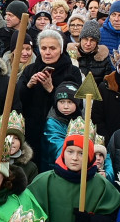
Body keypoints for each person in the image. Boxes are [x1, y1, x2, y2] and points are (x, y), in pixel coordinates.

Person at [29, 118, 120, 222]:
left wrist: (91, 221)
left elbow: (113, 220)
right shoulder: (43, 182)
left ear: (89, 156)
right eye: (70, 151)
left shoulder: (101, 185)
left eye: (81, 153)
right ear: (63, 152)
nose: (74, 158)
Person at [15, 29, 82, 170]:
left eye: (52, 48)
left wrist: (52, 90)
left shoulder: (72, 71)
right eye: (43, 48)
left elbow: (76, 106)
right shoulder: (30, 69)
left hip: (58, 134)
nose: (47, 52)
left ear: (61, 49)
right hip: (33, 132)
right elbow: (18, 100)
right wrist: (28, 86)